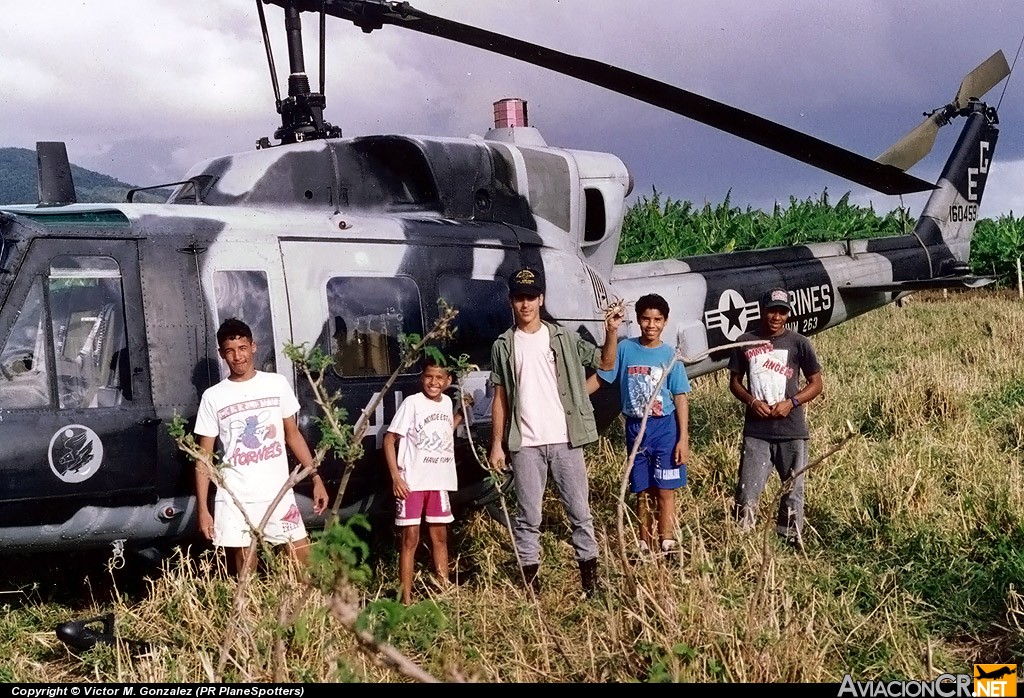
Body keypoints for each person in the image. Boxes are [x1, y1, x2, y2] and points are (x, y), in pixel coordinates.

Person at [489, 266, 623, 597]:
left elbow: (605, 365)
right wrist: (497, 444)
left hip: (565, 439)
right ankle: (532, 590)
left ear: (541, 299)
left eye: (531, 297)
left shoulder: (562, 338)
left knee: (580, 512)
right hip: (526, 445)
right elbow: (500, 398)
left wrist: (611, 332)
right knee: (527, 517)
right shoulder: (503, 345)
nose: (526, 305)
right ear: (511, 302)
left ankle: (590, 586)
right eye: (520, 298)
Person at [194, 318, 329, 576]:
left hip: (278, 494)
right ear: (222, 354)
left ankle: (311, 613)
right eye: (230, 351)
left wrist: (315, 477)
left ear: (253, 347)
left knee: (304, 565)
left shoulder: (276, 384)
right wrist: (204, 509)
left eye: (242, 348)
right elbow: (203, 458)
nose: (238, 356)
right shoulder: (213, 396)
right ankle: (250, 615)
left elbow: (293, 435)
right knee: (246, 571)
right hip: (236, 498)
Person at [594, 293, 690, 557]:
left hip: (665, 429)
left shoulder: (670, 355)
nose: (651, 325)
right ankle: (643, 543)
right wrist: (570, 398)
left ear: (665, 322)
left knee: (665, 489)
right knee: (641, 488)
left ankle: (667, 541)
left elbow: (680, 397)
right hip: (636, 429)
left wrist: (683, 438)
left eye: (657, 320)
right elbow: (604, 373)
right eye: (646, 319)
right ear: (637, 320)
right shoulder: (625, 349)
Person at [728, 289, 823, 549]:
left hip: (792, 429)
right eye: (772, 310)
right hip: (756, 431)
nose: (776, 317)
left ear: (788, 313)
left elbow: (816, 383)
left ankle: (790, 540)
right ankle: (742, 542)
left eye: (782, 311)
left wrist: (791, 403)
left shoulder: (798, 342)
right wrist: (752, 401)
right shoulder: (745, 341)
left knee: (793, 489)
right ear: (762, 310)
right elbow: (734, 382)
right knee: (748, 489)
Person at [382, 357, 463, 605]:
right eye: (429, 376)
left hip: (438, 482)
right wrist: (396, 477)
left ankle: (444, 593)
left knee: (440, 537)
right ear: (422, 378)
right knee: (410, 539)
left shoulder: (447, 402)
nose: (433, 382)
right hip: (413, 483)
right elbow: (389, 440)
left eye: (439, 378)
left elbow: (443, 432)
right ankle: (405, 599)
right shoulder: (412, 403)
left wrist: (461, 414)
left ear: (448, 381)